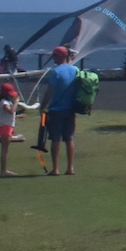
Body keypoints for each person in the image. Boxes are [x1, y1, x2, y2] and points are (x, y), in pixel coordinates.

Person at [30, 46, 79, 176]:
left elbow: (49, 92)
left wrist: (42, 106)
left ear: (60, 56)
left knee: (55, 139)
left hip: (57, 109)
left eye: (55, 55)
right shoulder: (75, 70)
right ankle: (70, 168)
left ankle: (55, 169)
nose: (53, 58)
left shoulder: (56, 72)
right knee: (69, 139)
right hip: (70, 108)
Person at [0, 81, 31, 177]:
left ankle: (4, 170)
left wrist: (18, 116)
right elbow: (11, 111)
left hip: (8, 126)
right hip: (5, 127)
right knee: (4, 150)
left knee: (5, 150)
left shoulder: (7, 102)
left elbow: (9, 114)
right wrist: (16, 102)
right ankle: (3, 171)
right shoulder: (4, 102)